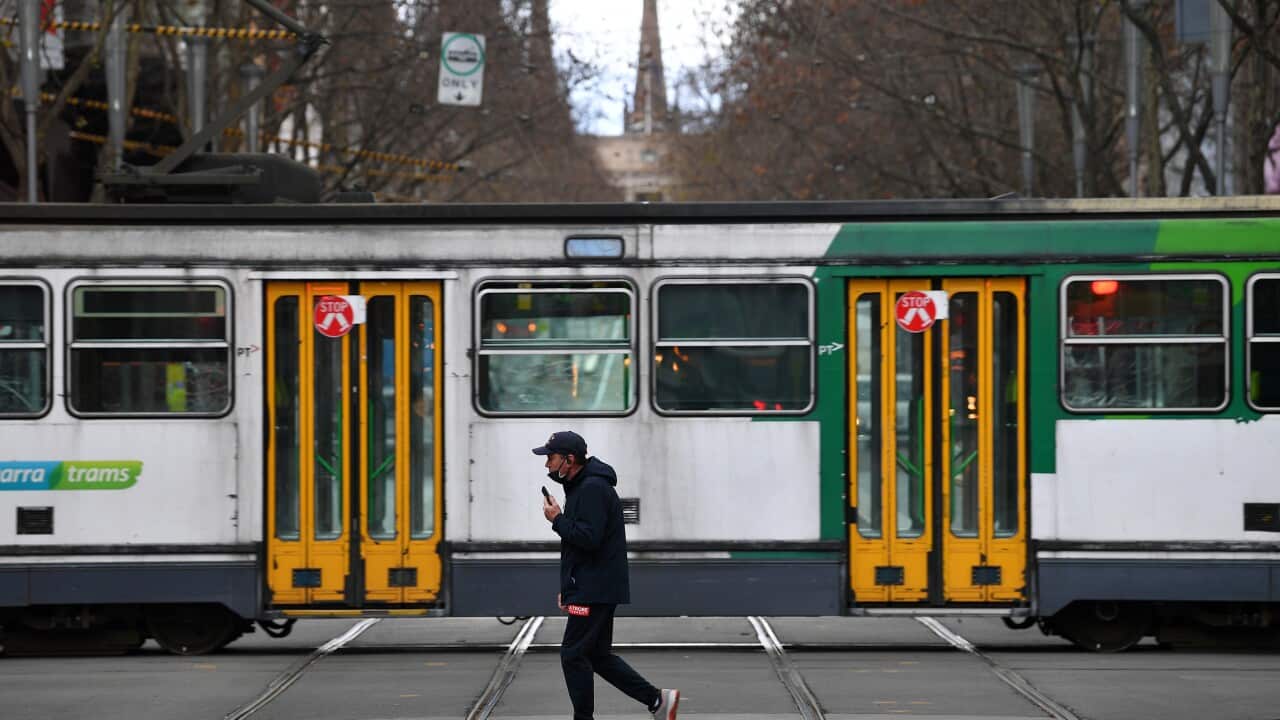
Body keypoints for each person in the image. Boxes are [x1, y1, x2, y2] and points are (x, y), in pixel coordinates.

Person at [534, 430, 679, 720]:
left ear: (569, 459)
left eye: (550, 457)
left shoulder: (591, 489)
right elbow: (582, 545)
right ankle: (658, 701)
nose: (546, 464)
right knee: (596, 656)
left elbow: (589, 539)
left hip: (593, 589)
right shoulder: (581, 486)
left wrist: (557, 519)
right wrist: (568, 586)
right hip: (591, 587)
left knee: (573, 655)